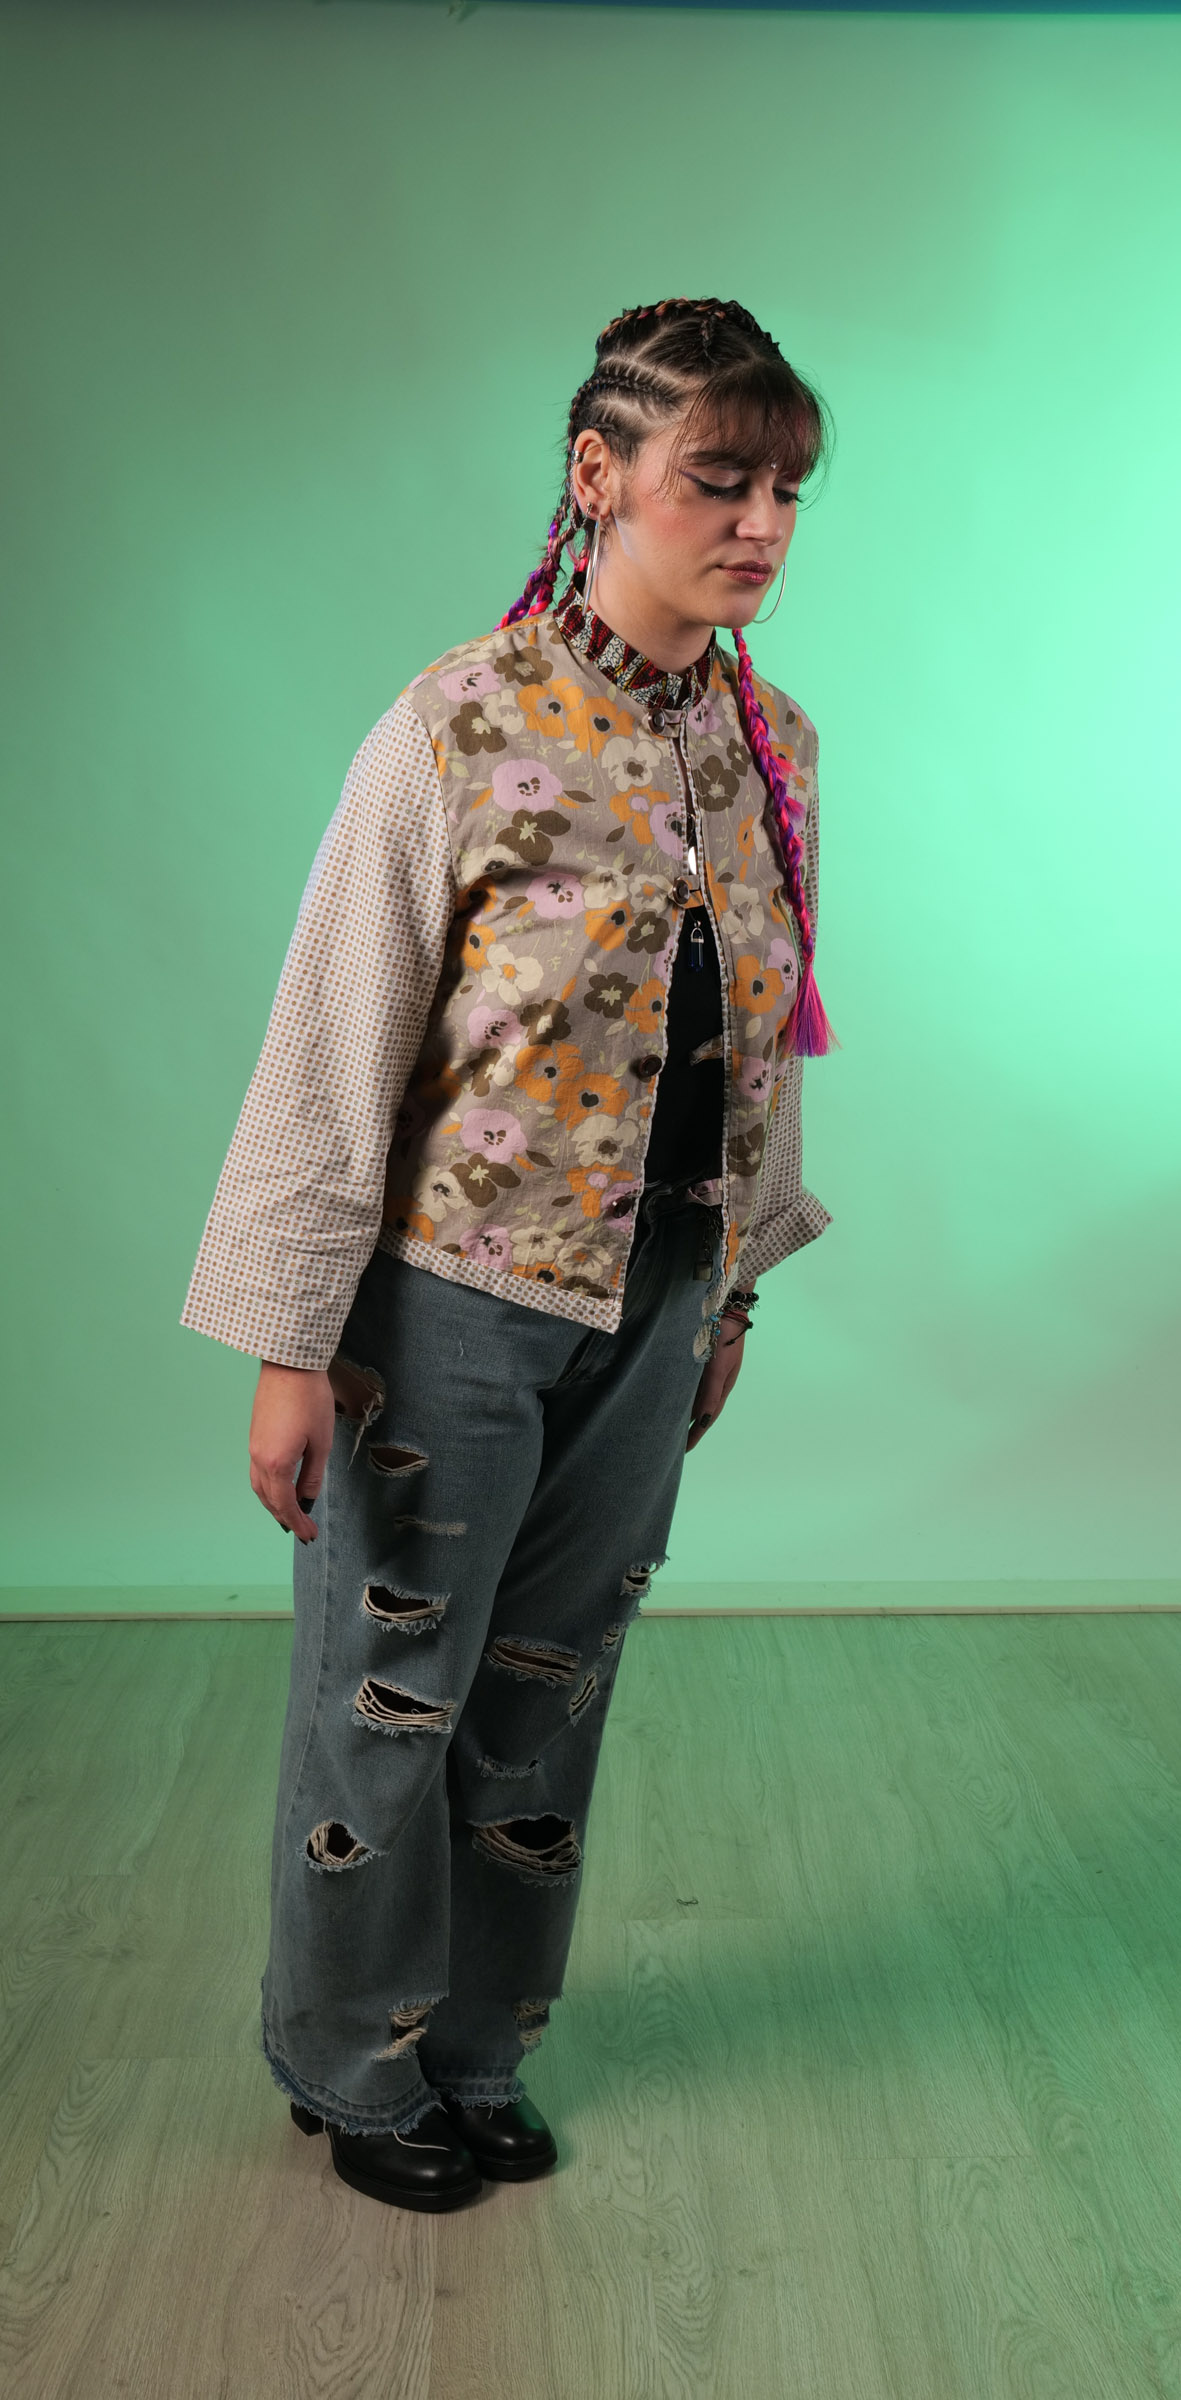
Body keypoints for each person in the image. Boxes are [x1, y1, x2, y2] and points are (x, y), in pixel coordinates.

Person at [181, 295, 836, 2214]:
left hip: (656, 1302)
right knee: (388, 1701)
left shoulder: (772, 745)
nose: (761, 524)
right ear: (597, 473)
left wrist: (730, 1288)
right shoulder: (457, 721)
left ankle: (476, 2053)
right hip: (448, 1308)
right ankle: (346, 2062)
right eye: (720, 480)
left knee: (548, 1700)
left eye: (787, 490)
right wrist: (290, 1344)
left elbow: (765, 1030)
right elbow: (337, 1037)